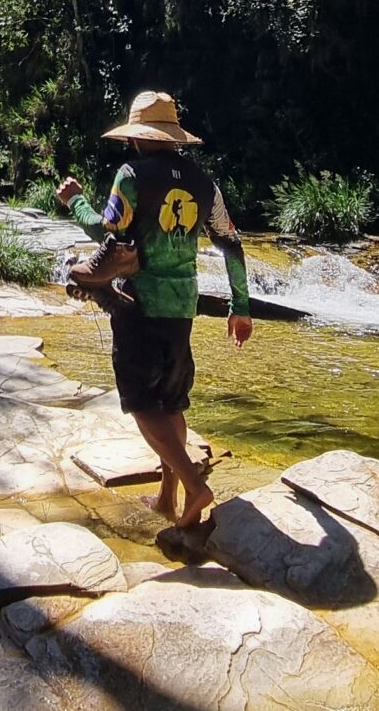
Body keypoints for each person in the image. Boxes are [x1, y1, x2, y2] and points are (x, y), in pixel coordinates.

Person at [57, 89, 252, 532]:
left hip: (138, 303)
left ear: (136, 136)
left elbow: (108, 234)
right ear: (173, 136)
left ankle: (193, 486)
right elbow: (231, 243)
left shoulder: (131, 174)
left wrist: (75, 201)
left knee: (143, 404)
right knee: (170, 400)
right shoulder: (204, 185)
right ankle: (167, 499)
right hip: (182, 306)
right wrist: (240, 307)